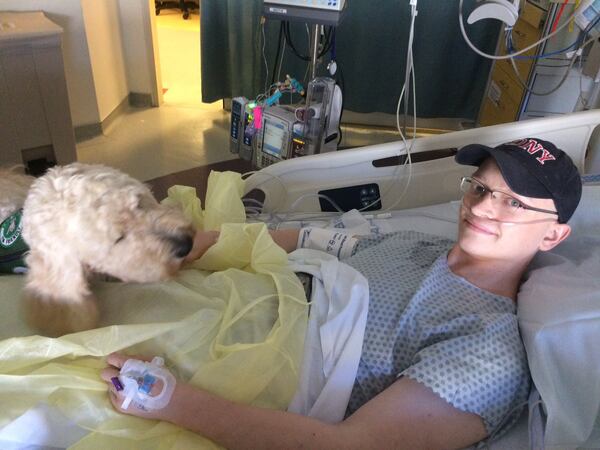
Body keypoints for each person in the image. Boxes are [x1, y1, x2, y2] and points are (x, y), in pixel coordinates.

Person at [101, 137, 582, 450]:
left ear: (552, 237)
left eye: (513, 202)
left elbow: (348, 445)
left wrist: (169, 402)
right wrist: (203, 245)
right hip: (241, 295)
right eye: (479, 188)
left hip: (250, 365)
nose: (481, 208)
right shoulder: (422, 243)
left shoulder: (486, 353)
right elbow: (306, 240)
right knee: (108, 265)